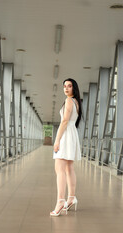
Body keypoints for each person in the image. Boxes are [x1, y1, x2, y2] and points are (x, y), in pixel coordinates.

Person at [50, 78, 82, 217]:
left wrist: (57, 140)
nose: (66, 88)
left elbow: (64, 121)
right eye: (65, 86)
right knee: (69, 168)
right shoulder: (76, 102)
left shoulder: (69, 101)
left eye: (69, 86)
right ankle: (71, 198)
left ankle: (60, 201)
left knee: (60, 169)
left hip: (66, 135)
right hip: (72, 134)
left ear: (74, 88)